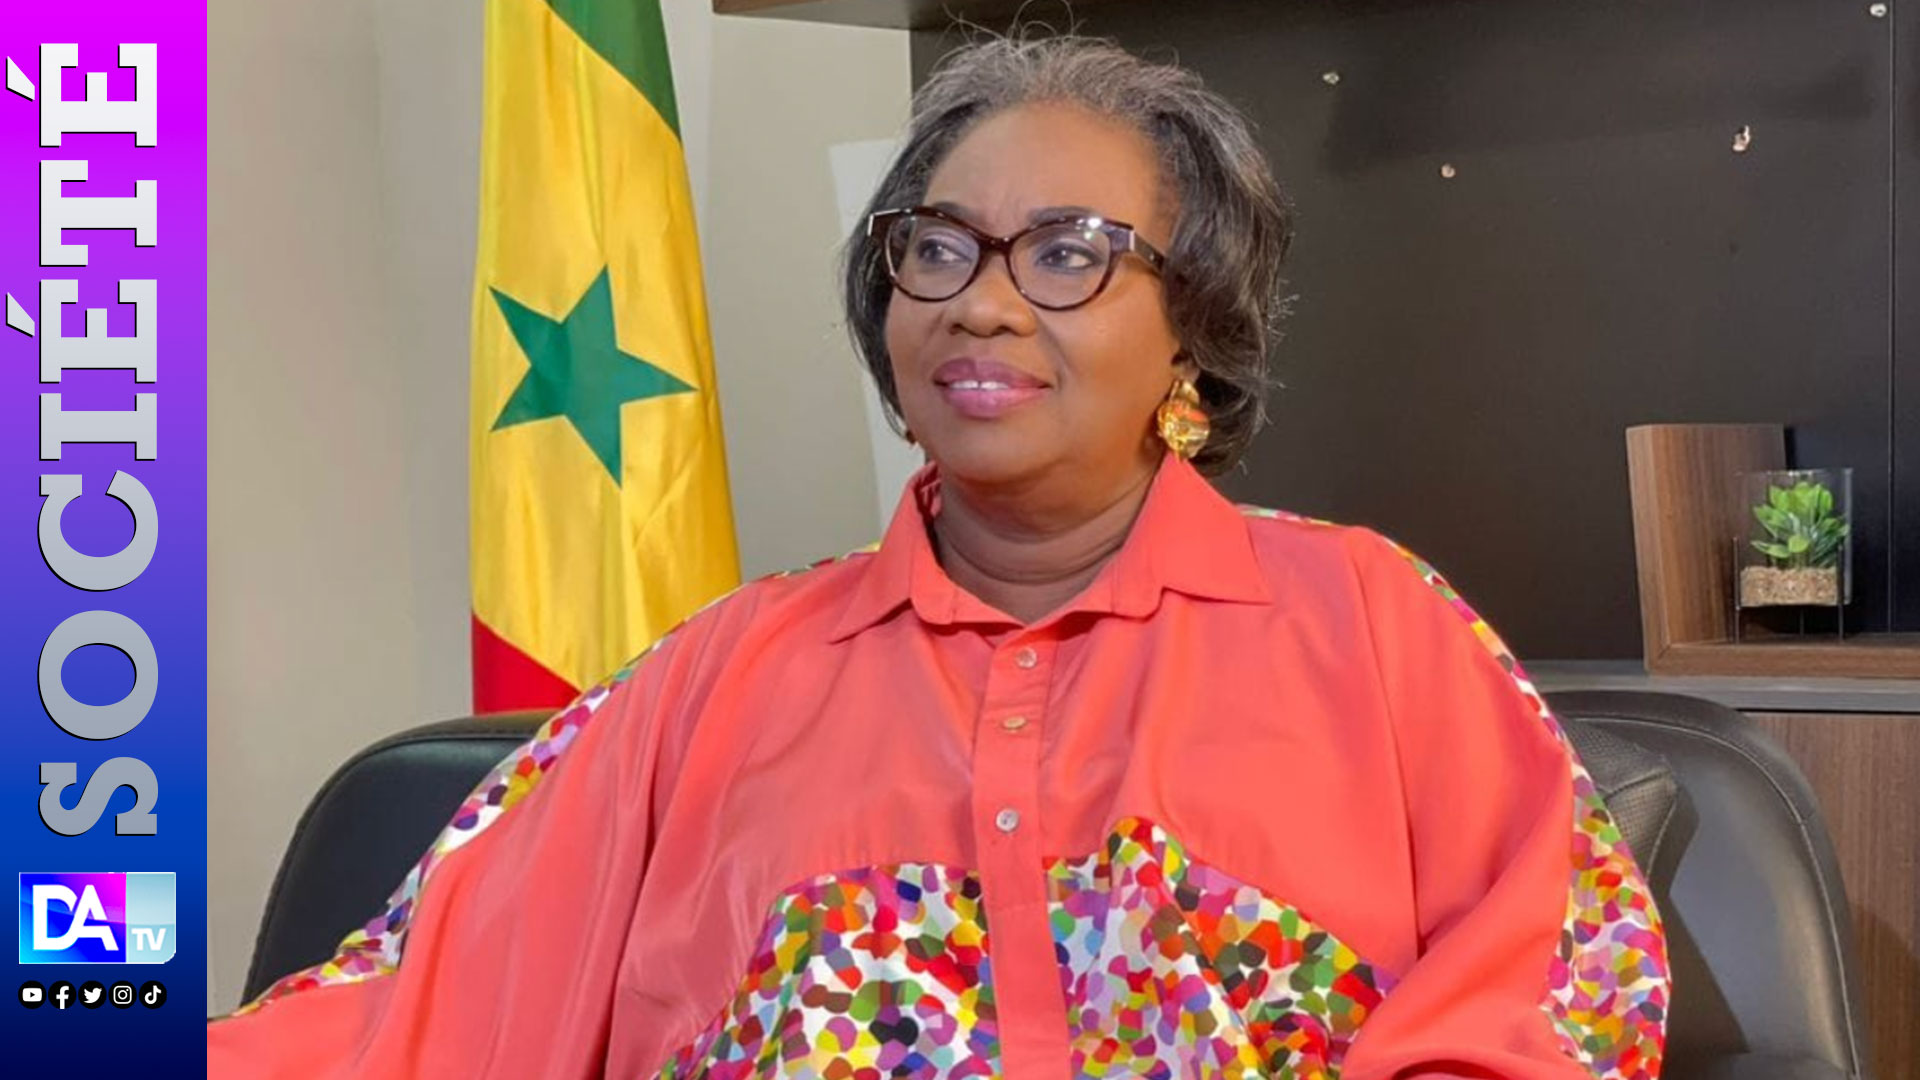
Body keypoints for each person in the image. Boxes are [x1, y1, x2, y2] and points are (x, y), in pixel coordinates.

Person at [208, 35, 1667, 1080]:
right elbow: (406, 1010)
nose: (981, 303)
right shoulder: (720, 674)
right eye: (939, 247)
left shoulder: (1368, 621)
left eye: (1068, 253)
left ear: (1192, 330)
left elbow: (1565, 986)